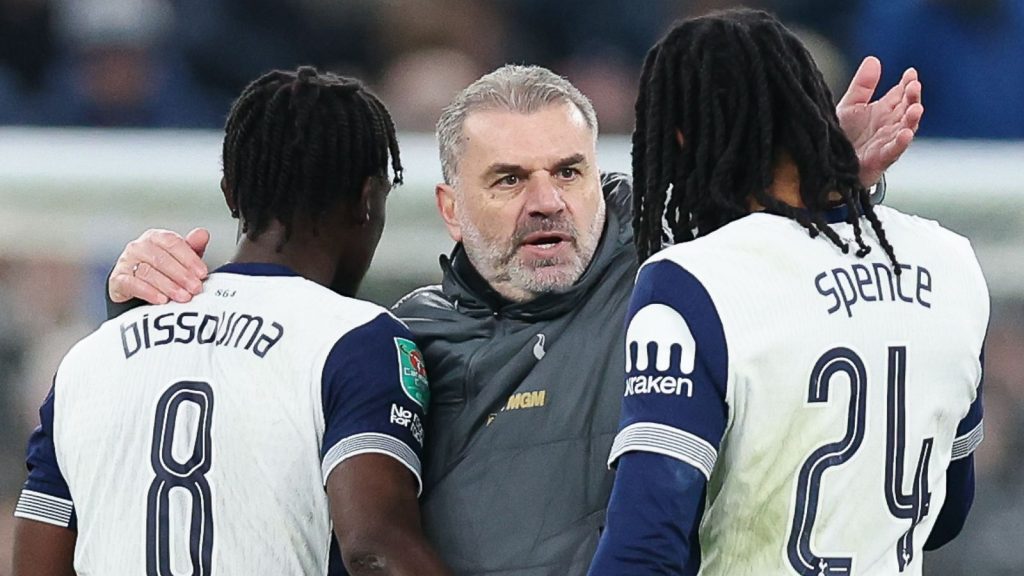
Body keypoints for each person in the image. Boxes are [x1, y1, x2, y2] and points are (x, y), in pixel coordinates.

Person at [104, 55, 923, 574]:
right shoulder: (395, 341)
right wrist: (142, 282)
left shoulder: (673, 269)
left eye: (568, 172)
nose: (547, 203)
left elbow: (786, 251)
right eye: (507, 180)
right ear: (450, 208)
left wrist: (825, 183)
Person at [588, 9, 987, 575]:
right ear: (812, 115)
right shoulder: (951, 262)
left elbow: (646, 545)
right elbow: (949, 512)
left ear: (677, 138)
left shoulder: (690, 282)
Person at [13, 66, 450, 576]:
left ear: (229, 194)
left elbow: (34, 564)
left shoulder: (88, 358)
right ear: (367, 200)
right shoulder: (357, 340)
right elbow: (375, 547)